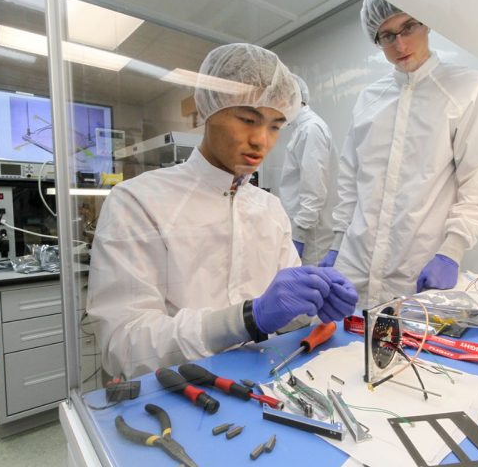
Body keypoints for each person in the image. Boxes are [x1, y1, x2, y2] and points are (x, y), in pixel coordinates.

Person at [88, 43, 358, 379]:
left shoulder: (270, 209)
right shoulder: (138, 202)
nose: (262, 140)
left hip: (265, 387)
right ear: (208, 109)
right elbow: (123, 346)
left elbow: (286, 316)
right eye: (248, 119)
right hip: (178, 392)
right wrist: (245, 319)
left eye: (275, 125)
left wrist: (316, 303)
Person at [320, 0, 478, 308]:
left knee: (410, 354)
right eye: (387, 35)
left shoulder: (466, 87)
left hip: (417, 266)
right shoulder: (369, 99)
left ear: (427, 24)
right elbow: (351, 181)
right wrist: (337, 242)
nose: (400, 45)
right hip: (355, 263)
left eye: (408, 28)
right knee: (336, 350)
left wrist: (452, 251)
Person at [278, 74, 338, 265]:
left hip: (312, 239)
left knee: (311, 291)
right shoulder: (302, 129)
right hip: (306, 232)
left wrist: (299, 236)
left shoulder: (310, 129)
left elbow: (314, 191)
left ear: (290, 98)